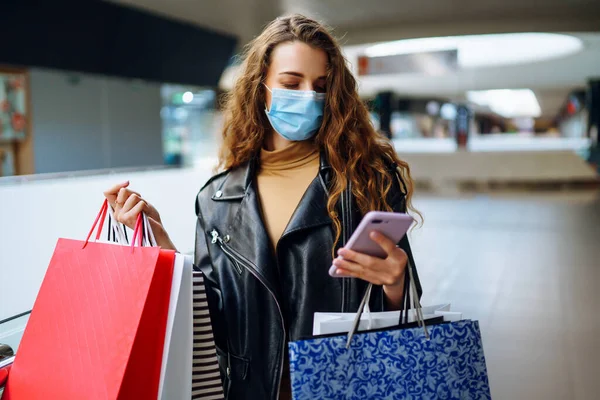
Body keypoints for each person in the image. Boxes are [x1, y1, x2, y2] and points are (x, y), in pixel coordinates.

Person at [104, 14, 422, 400]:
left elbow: (405, 306)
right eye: (291, 83)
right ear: (261, 88)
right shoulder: (217, 199)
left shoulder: (364, 180)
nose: (308, 96)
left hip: (343, 384)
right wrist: (163, 246)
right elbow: (214, 323)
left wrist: (395, 282)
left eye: (321, 86)